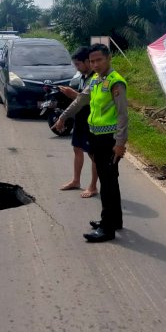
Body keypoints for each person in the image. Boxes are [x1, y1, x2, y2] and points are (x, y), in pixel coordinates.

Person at [53, 43, 128, 242]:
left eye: (99, 60)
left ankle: (107, 228)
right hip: (96, 136)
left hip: (109, 140)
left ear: (108, 59)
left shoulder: (115, 82)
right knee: (109, 180)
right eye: (92, 61)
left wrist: (120, 143)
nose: (95, 64)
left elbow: (122, 115)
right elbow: (80, 101)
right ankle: (114, 220)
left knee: (108, 184)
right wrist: (63, 117)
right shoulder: (95, 80)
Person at [58, 47, 98, 198]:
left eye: (78, 64)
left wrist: (73, 94)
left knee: (93, 155)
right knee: (77, 148)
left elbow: (88, 101)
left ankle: (93, 186)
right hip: (80, 120)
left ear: (87, 62)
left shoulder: (96, 79)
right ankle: (76, 181)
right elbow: (79, 100)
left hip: (91, 122)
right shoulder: (83, 77)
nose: (77, 68)